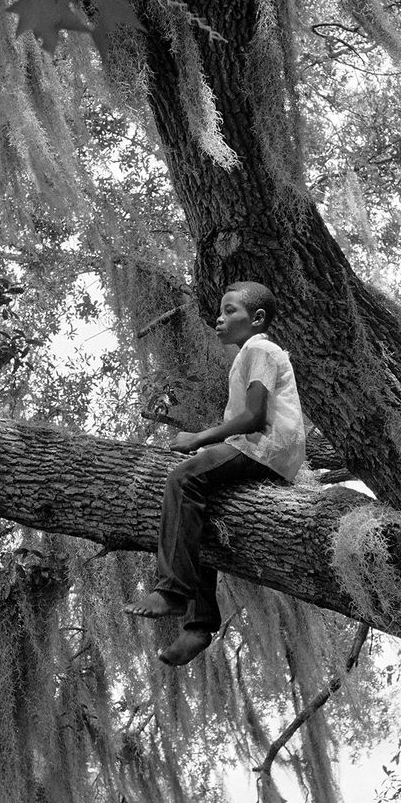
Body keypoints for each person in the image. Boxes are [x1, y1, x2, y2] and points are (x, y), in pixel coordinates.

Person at [127, 281, 305, 666]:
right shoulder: (251, 354)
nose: (219, 319)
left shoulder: (259, 348)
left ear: (256, 319)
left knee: (183, 478)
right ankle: (198, 627)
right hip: (267, 452)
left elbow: (254, 417)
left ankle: (173, 590)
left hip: (265, 446)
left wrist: (199, 439)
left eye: (230, 311)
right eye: (219, 312)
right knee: (200, 513)